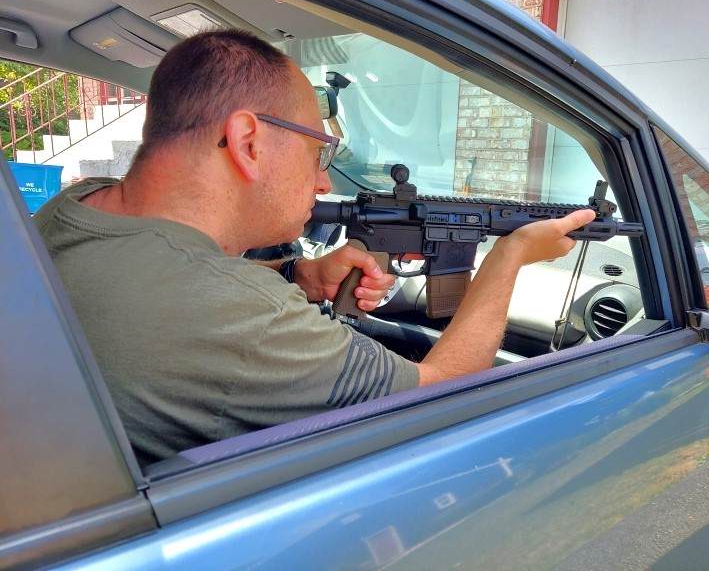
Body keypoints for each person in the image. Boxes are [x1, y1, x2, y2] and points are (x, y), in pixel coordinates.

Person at [34, 29, 595, 467]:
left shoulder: (76, 205)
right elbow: (442, 391)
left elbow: (182, 281)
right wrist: (509, 257)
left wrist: (298, 275)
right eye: (318, 152)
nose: (323, 182)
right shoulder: (239, 315)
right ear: (249, 142)